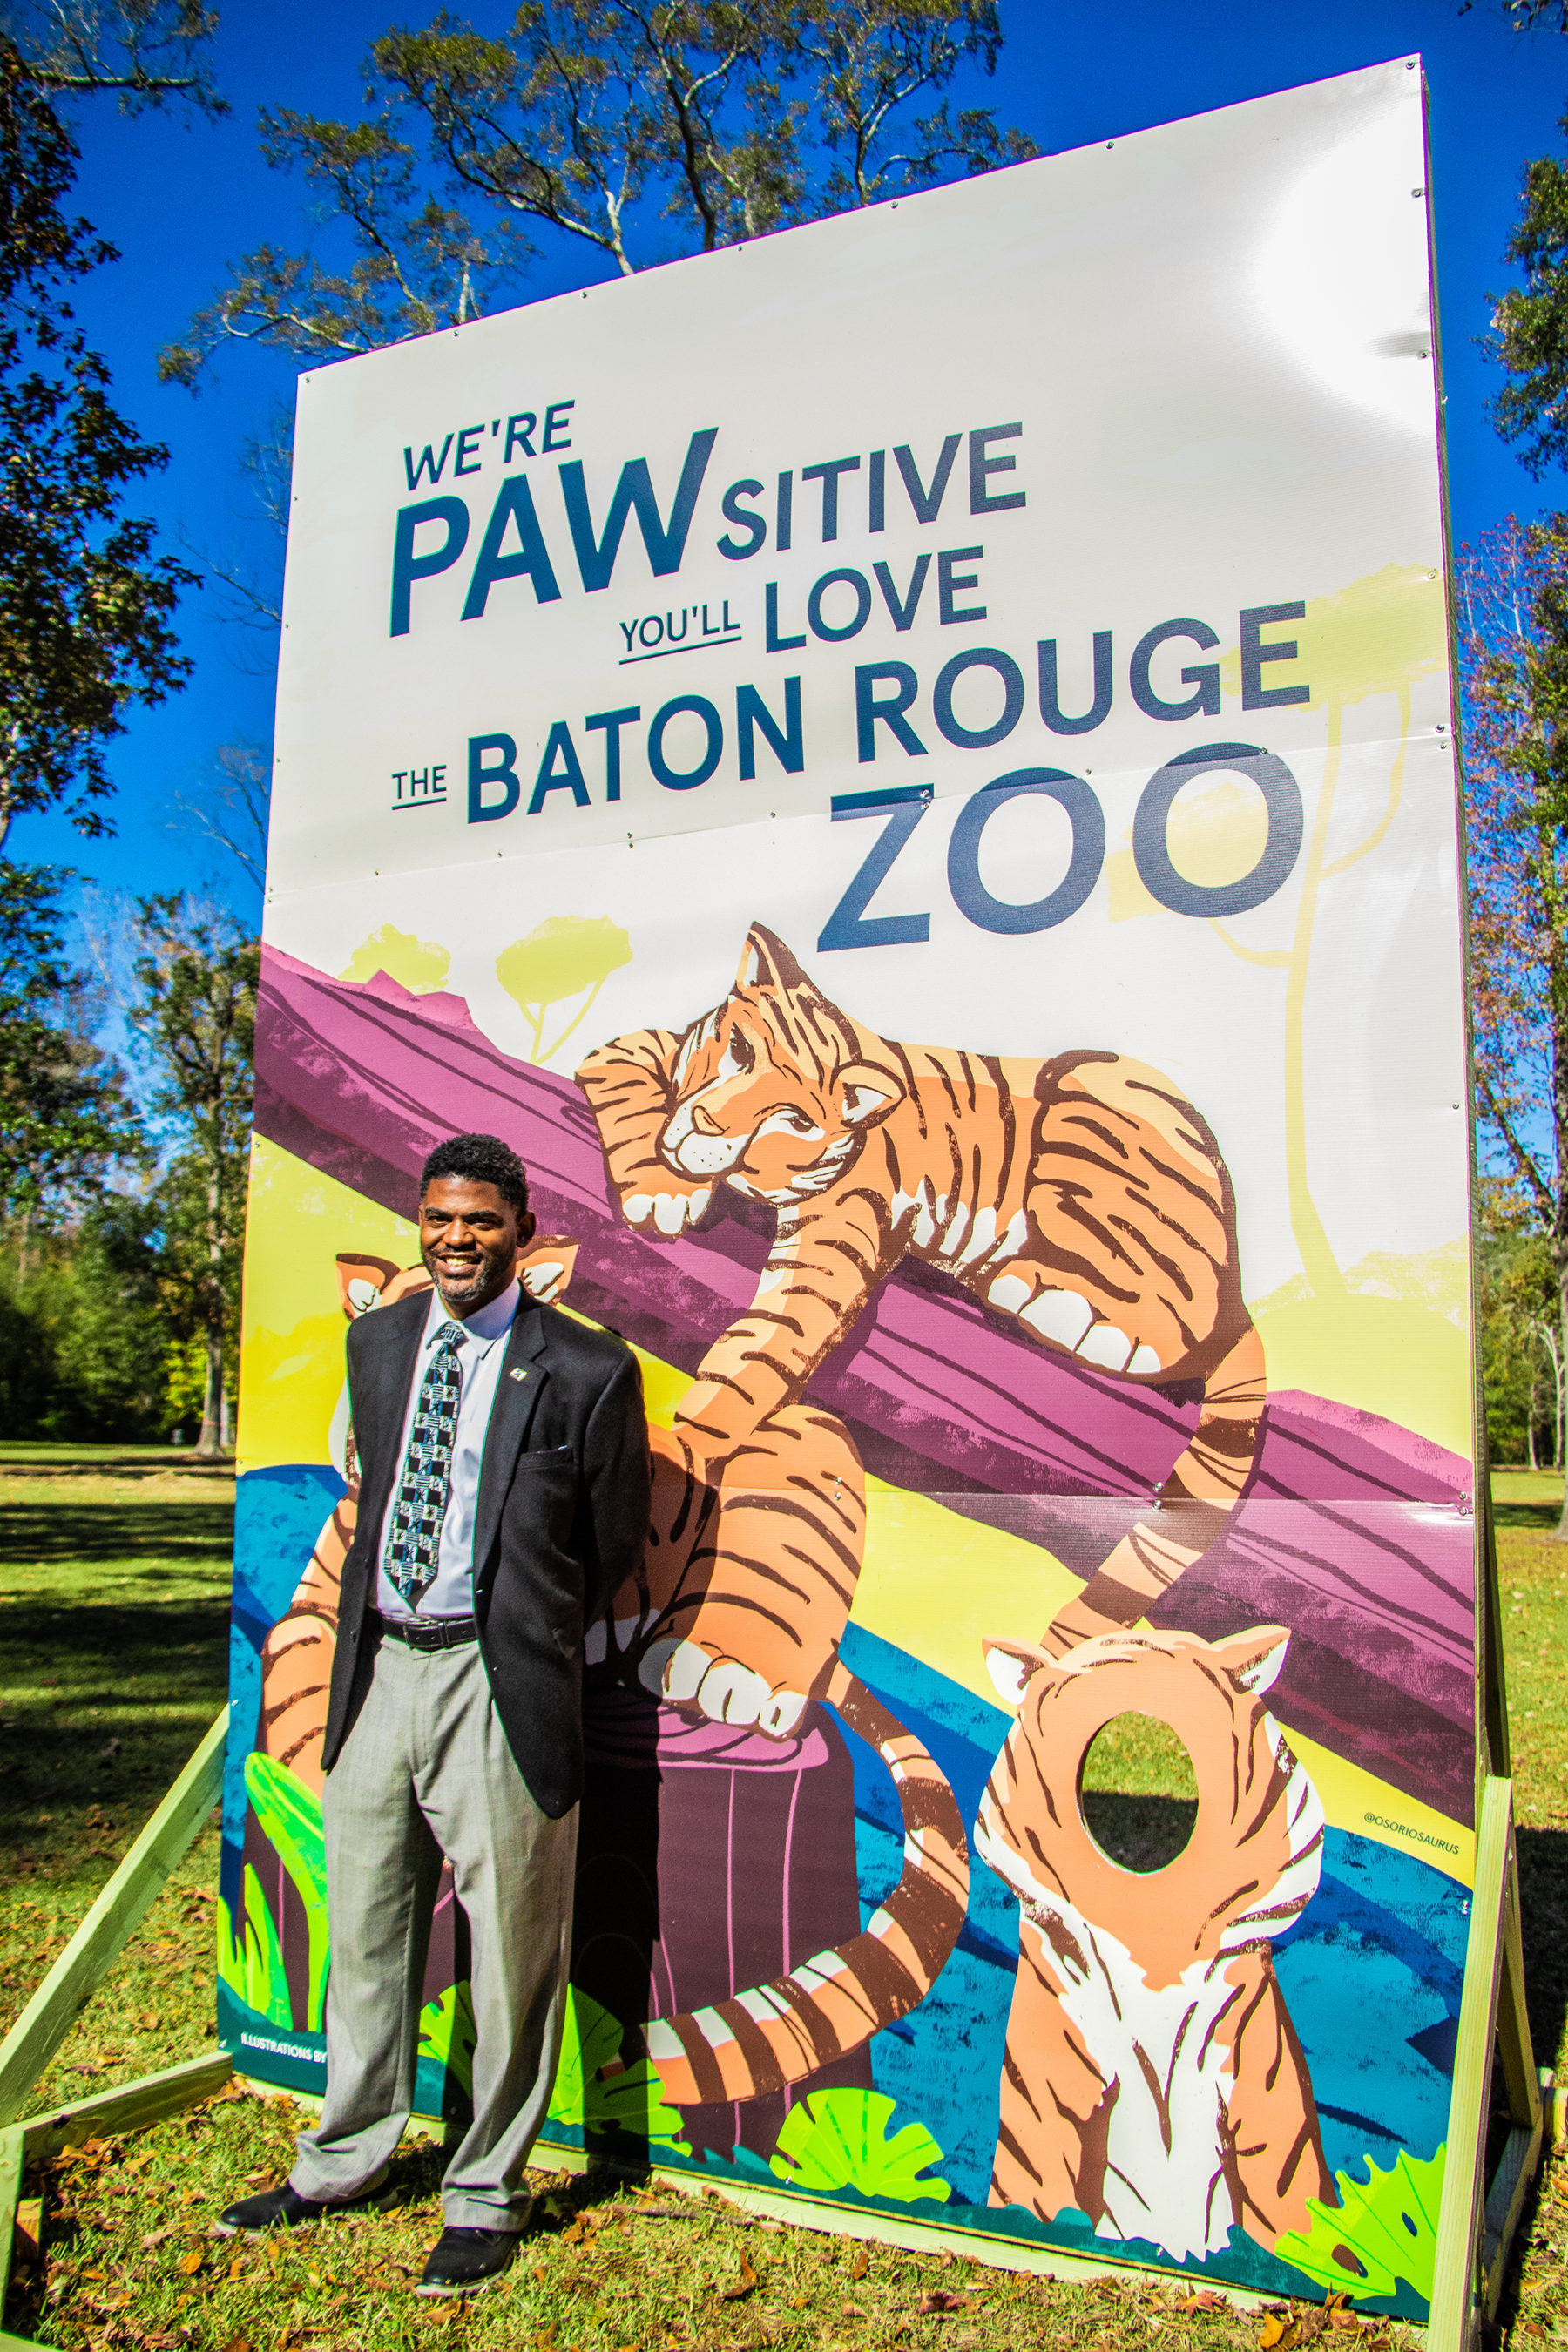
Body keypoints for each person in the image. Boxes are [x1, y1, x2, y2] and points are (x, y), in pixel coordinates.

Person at [219, 1132, 650, 2296]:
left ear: (522, 1230)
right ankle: (344, 2156)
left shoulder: (588, 1370)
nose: (458, 1238)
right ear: (422, 1222)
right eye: (441, 1218)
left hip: (497, 1685)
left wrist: (521, 1632)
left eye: (482, 1221)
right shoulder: (379, 1340)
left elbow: (610, 1548)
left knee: (515, 1948)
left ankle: (484, 2193)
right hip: (379, 1675)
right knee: (362, 1925)